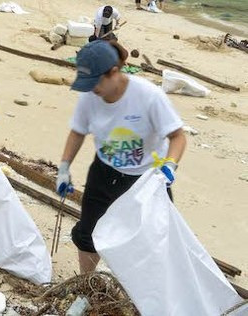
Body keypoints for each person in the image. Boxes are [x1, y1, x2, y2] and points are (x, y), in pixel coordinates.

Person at [55, 39, 186, 274]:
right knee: (88, 233)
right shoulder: (89, 96)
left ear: (113, 73)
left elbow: (178, 137)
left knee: (155, 240)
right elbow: (77, 131)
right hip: (104, 172)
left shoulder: (149, 96)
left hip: (147, 178)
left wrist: (169, 167)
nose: (92, 89)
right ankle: (87, 283)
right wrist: (64, 168)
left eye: (95, 82)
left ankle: (145, 294)